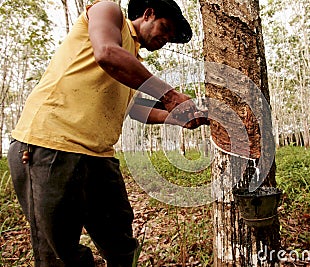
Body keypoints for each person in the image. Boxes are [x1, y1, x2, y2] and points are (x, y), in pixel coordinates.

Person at [7, 0, 207, 266]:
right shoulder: (108, 12)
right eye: (165, 28)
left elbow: (135, 110)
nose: (166, 39)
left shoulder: (132, 62)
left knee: (121, 244)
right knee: (59, 254)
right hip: (50, 146)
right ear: (148, 14)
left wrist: (177, 119)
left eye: (170, 38)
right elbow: (106, 53)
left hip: (98, 157)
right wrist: (169, 96)